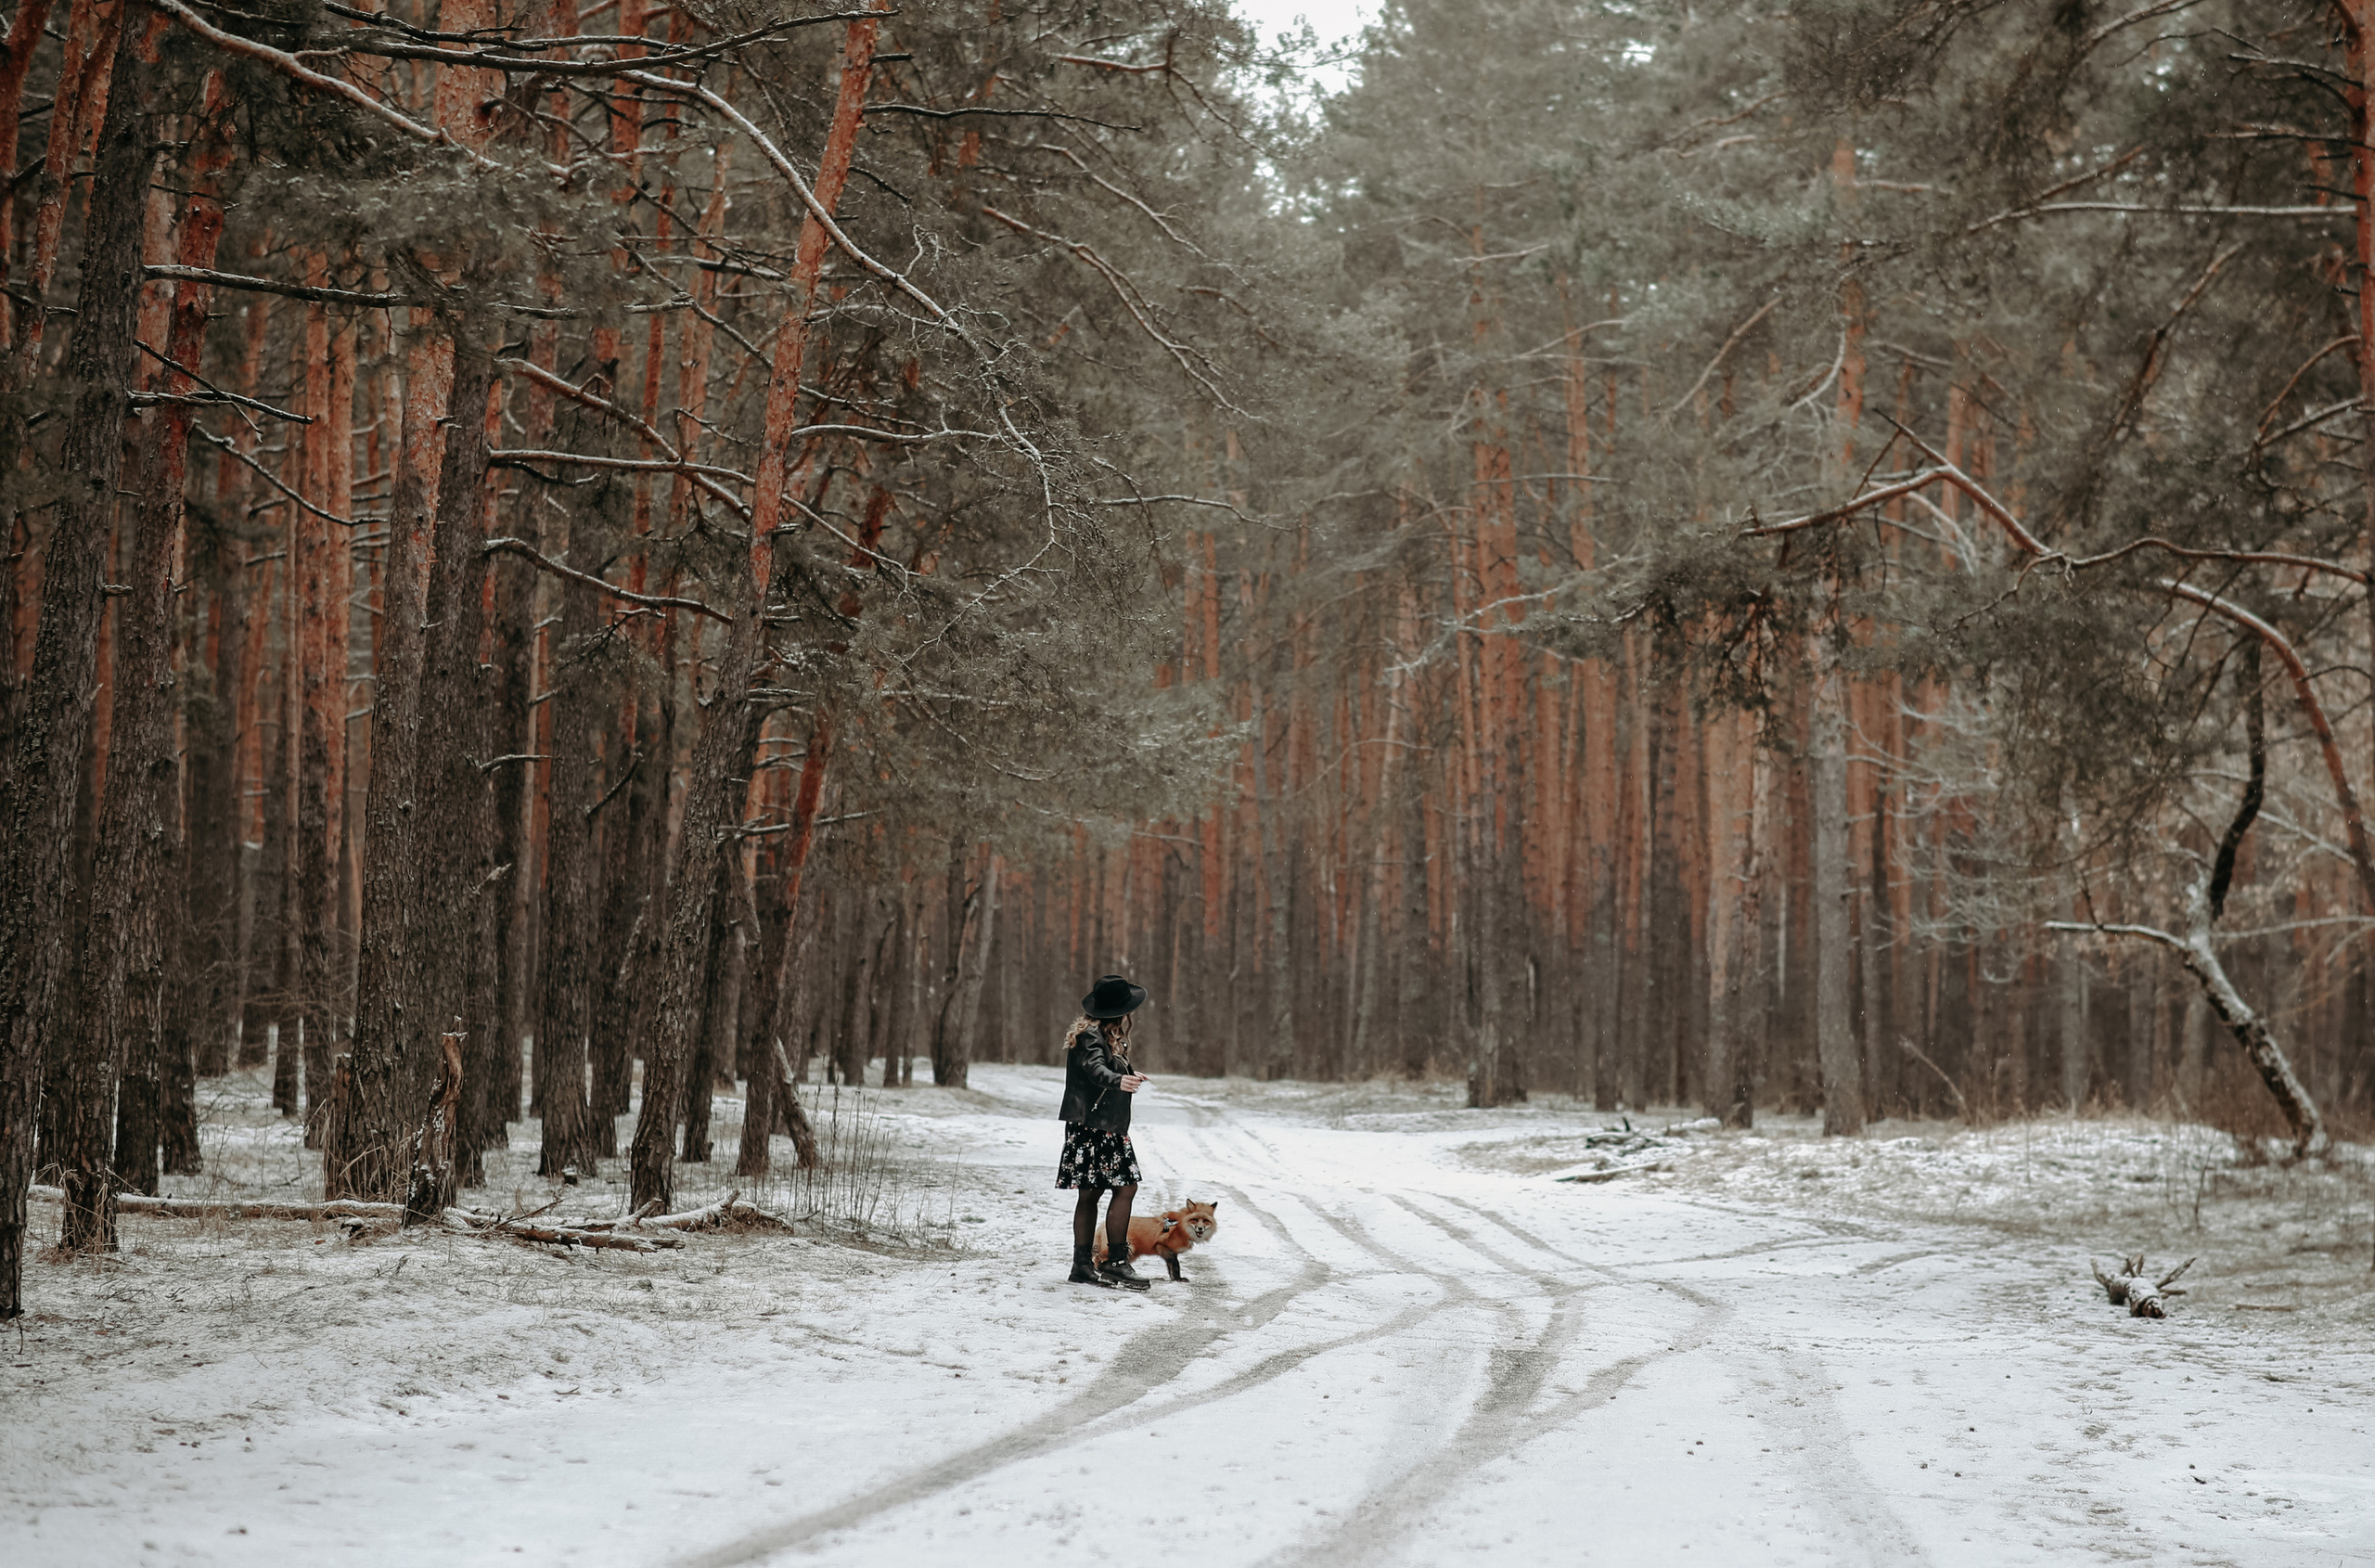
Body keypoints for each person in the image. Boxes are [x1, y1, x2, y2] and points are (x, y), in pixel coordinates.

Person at [1058, 973, 1152, 1290]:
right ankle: (1115, 1262)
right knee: (1124, 1188)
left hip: (1094, 1125)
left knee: (1092, 1193)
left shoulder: (1097, 1032)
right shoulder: (1090, 1036)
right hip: (1098, 1128)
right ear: (1117, 1012)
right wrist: (1117, 1080)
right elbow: (1095, 1069)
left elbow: (1103, 1066)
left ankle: (1082, 1265)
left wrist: (1127, 1072)